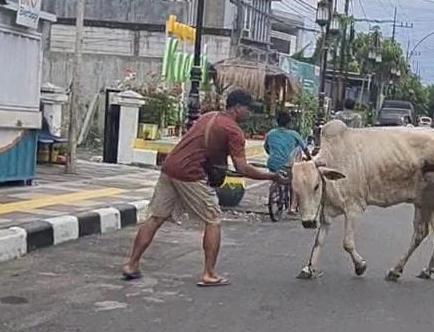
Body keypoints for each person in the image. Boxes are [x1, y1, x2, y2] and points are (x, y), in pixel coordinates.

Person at [122, 89, 281, 287]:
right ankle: (209, 273)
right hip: (190, 173)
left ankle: (132, 264)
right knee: (213, 219)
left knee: (156, 217)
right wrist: (271, 176)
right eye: (248, 109)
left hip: (170, 167)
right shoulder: (233, 131)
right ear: (238, 107)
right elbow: (242, 167)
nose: (249, 113)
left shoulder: (209, 116)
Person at [264, 109, 306, 174]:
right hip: (288, 167)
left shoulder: (270, 133)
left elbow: (266, 148)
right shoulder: (294, 134)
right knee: (298, 148)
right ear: (289, 123)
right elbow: (305, 149)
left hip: (272, 165)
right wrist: (310, 159)